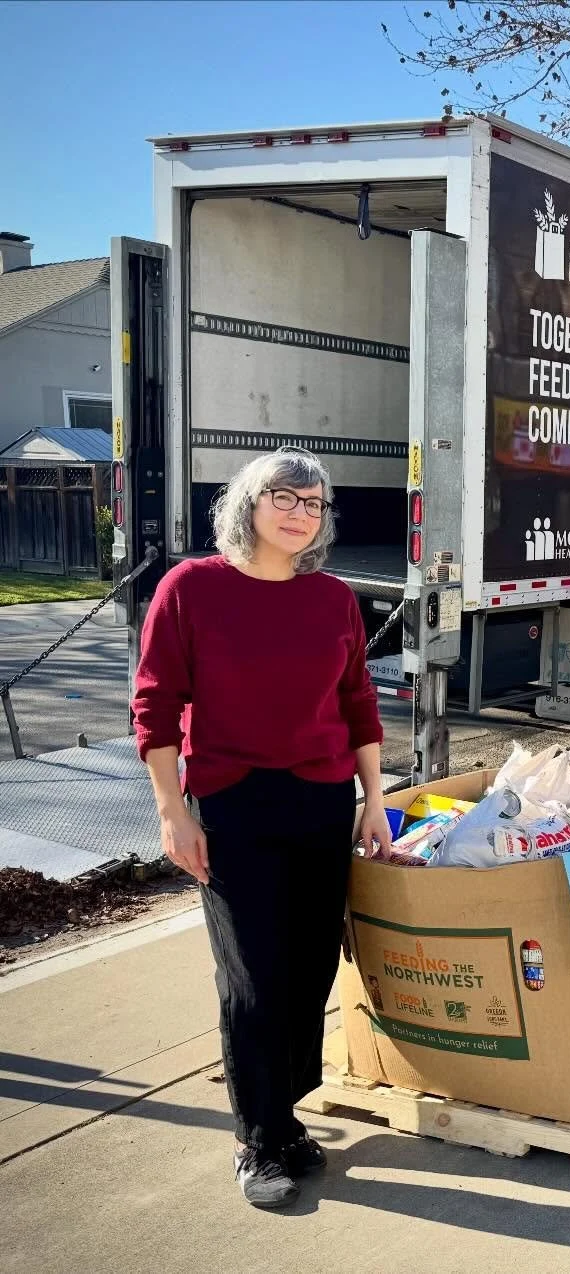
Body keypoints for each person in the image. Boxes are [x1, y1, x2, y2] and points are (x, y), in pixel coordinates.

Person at [132, 447, 392, 1209]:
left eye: (313, 504)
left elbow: (358, 700)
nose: (299, 513)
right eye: (284, 497)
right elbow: (154, 705)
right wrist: (172, 812)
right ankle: (258, 1140)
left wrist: (375, 799)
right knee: (252, 974)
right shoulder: (192, 588)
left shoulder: (333, 599)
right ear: (249, 502)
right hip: (232, 804)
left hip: (321, 801)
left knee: (310, 969)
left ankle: (283, 1118)